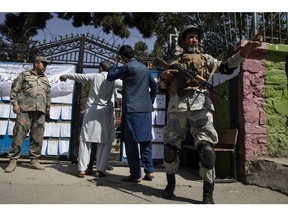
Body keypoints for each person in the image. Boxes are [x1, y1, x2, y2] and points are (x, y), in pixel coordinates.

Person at [158, 25, 263, 203]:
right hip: (177, 107)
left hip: (201, 106)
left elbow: (226, 66)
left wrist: (243, 52)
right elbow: (162, 89)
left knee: (206, 150)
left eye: (196, 37)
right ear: (182, 40)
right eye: (190, 37)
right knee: (170, 150)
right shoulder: (173, 61)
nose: (195, 40)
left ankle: (208, 194)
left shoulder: (206, 59)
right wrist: (164, 77)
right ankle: (170, 186)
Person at [59, 61, 122, 178]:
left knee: (85, 141)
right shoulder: (114, 79)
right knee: (105, 142)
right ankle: (100, 170)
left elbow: (78, 77)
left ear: (100, 68)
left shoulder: (94, 76)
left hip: (93, 111)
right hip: (106, 112)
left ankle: (82, 169)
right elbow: (126, 83)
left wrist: (66, 76)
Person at [107, 45, 158, 183]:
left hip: (131, 110)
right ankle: (149, 171)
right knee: (146, 141)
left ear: (123, 57)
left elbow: (110, 76)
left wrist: (115, 64)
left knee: (131, 143)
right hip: (146, 111)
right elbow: (154, 87)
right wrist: (149, 101)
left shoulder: (127, 66)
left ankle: (136, 174)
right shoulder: (145, 69)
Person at [4, 56, 51, 173]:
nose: (45, 67)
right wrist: (15, 104)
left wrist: (48, 108)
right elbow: (14, 89)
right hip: (25, 109)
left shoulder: (45, 78)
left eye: (46, 65)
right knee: (19, 134)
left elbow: (48, 94)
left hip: (40, 111)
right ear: (36, 64)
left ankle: (34, 160)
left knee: (37, 136)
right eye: (43, 64)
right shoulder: (24, 75)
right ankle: (13, 160)